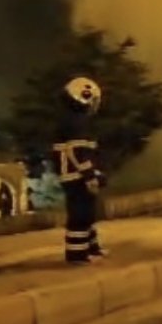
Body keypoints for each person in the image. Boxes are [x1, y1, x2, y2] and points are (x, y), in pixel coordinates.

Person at [53, 77, 107, 265]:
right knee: (80, 214)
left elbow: (86, 152)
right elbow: (77, 152)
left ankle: (90, 248)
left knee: (87, 213)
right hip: (76, 176)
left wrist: (96, 172)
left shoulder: (75, 119)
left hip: (76, 175)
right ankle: (77, 255)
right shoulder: (76, 121)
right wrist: (89, 176)